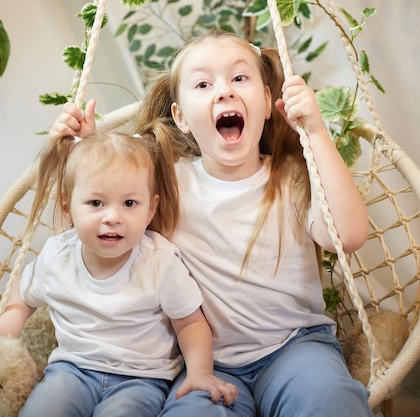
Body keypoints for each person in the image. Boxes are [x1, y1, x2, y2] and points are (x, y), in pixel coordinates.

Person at [50, 29, 372, 416]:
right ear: (181, 117)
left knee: (330, 402)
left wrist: (316, 132)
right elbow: (108, 204)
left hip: (296, 347)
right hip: (206, 364)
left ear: (268, 102)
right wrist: (87, 149)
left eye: (239, 78)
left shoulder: (291, 177)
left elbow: (349, 236)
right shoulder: (168, 180)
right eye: (203, 83)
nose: (224, 91)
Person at [0, 125, 238, 417]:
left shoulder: (159, 262)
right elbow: (23, 297)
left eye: (130, 203)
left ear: (150, 210)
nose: (112, 217)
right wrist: (7, 327)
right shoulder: (57, 257)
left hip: (141, 380)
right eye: (95, 203)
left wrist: (200, 371)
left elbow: (190, 322)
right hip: (71, 371)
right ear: (68, 208)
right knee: (42, 409)